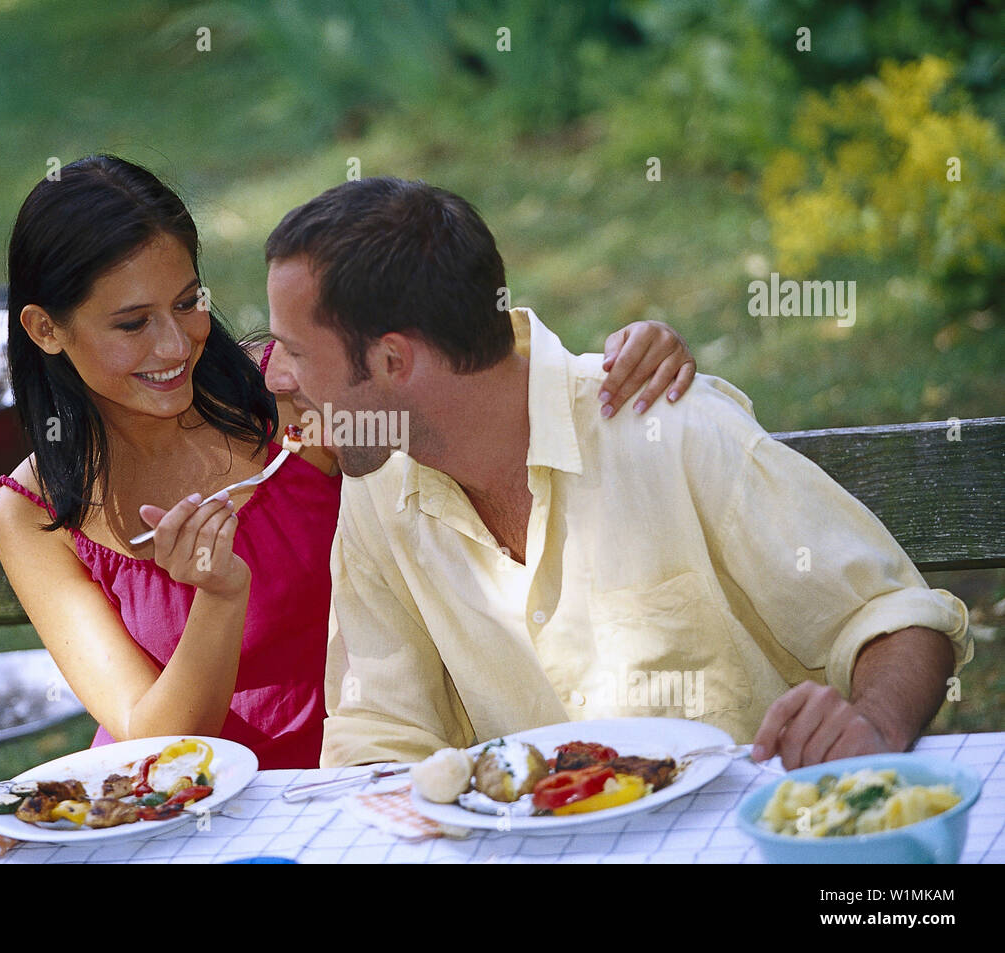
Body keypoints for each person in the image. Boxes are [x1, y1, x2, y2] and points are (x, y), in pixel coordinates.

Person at [0, 155, 698, 769]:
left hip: (374, 781)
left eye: (187, 302)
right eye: (132, 323)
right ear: (46, 328)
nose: (175, 345)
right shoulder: (32, 514)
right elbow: (155, 743)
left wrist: (617, 360)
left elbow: (484, 396)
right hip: (180, 820)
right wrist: (220, 596)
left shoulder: (293, 395)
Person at [261, 176, 973, 771]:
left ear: (392, 360)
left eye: (296, 351)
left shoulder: (669, 426)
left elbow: (898, 621)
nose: (280, 376)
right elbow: (380, 737)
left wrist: (874, 728)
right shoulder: (378, 490)